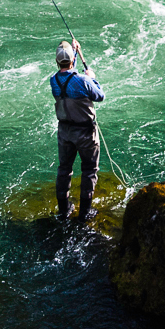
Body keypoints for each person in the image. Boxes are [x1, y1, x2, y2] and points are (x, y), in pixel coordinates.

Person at [49, 39, 105, 222]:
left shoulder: (54, 81)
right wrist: (92, 76)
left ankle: (64, 210)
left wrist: (73, 50)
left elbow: (67, 72)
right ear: (73, 59)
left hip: (65, 132)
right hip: (85, 133)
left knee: (64, 169)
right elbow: (99, 96)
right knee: (89, 170)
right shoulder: (83, 81)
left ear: (57, 62)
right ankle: (84, 213)